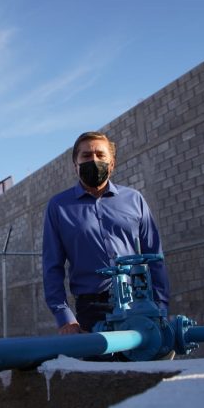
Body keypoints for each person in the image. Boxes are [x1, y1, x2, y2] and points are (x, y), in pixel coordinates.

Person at [42, 132, 170, 336]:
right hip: (91, 309)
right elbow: (52, 267)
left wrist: (161, 307)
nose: (93, 160)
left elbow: (155, 257)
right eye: (86, 156)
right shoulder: (59, 206)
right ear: (75, 163)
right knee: (99, 367)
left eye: (100, 155)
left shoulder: (134, 200)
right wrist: (64, 317)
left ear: (112, 163)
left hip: (140, 303)